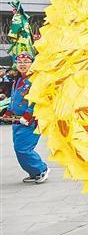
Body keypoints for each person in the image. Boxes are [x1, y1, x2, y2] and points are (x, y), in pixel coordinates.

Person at [5, 52, 49, 183]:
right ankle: (34, 172)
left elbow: (38, 98)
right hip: (18, 120)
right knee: (18, 148)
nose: (22, 65)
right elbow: (14, 98)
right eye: (20, 63)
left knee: (23, 149)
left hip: (31, 120)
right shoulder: (18, 79)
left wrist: (29, 114)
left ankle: (41, 169)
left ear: (32, 64)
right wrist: (9, 111)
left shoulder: (36, 79)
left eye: (26, 62)